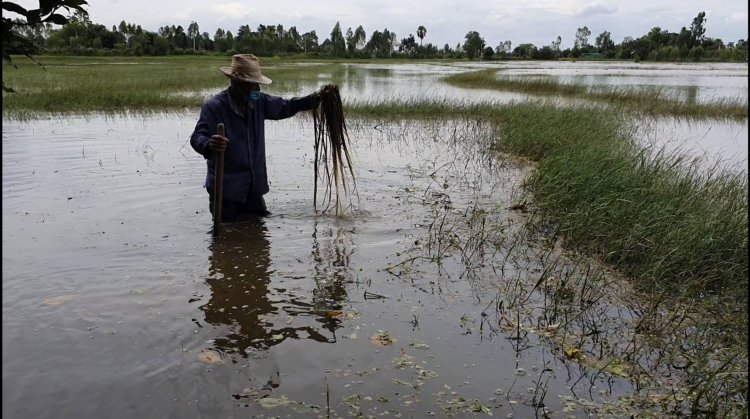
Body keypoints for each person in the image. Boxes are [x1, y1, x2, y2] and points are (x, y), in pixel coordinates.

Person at [190, 53, 323, 222]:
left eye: (257, 85)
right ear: (236, 83)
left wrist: (313, 99)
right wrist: (210, 144)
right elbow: (197, 137)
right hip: (226, 191)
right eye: (251, 85)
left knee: (259, 237)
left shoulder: (259, 101)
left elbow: (285, 106)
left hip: (253, 189)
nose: (257, 90)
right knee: (225, 241)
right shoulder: (215, 107)